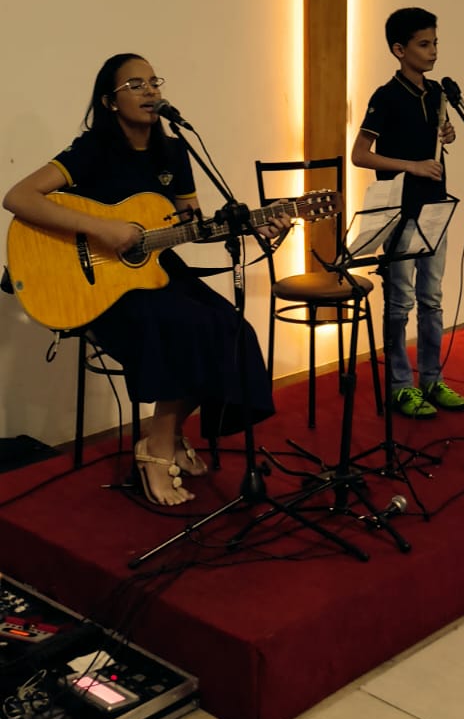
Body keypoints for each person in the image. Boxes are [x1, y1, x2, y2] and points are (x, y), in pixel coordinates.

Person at [3, 54, 279, 505]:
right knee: (184, 327)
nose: (150, 90)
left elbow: (193, 224)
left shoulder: (174, 151)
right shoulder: (92, 149)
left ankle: (165, 435)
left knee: (233, 329)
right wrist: (102, 229)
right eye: (135, 84)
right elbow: (18, 197)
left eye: (153, 82)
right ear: (110, 102)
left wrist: (250, 224)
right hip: (101, 287)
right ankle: (157, 448)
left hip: (157, 272)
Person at [351, 7, 464, 419]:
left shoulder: (436, 93)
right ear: (399, 50)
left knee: (431, 299)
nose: (433, 51)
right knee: (400, 301)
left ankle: (432, 379)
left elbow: (434, 138)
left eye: (435, 43)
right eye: (423, 44)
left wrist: (447, 134)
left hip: (435, 206)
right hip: (400, 210)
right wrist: (413, 166)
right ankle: (401, 385)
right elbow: (360, 155)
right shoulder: (385, 97)